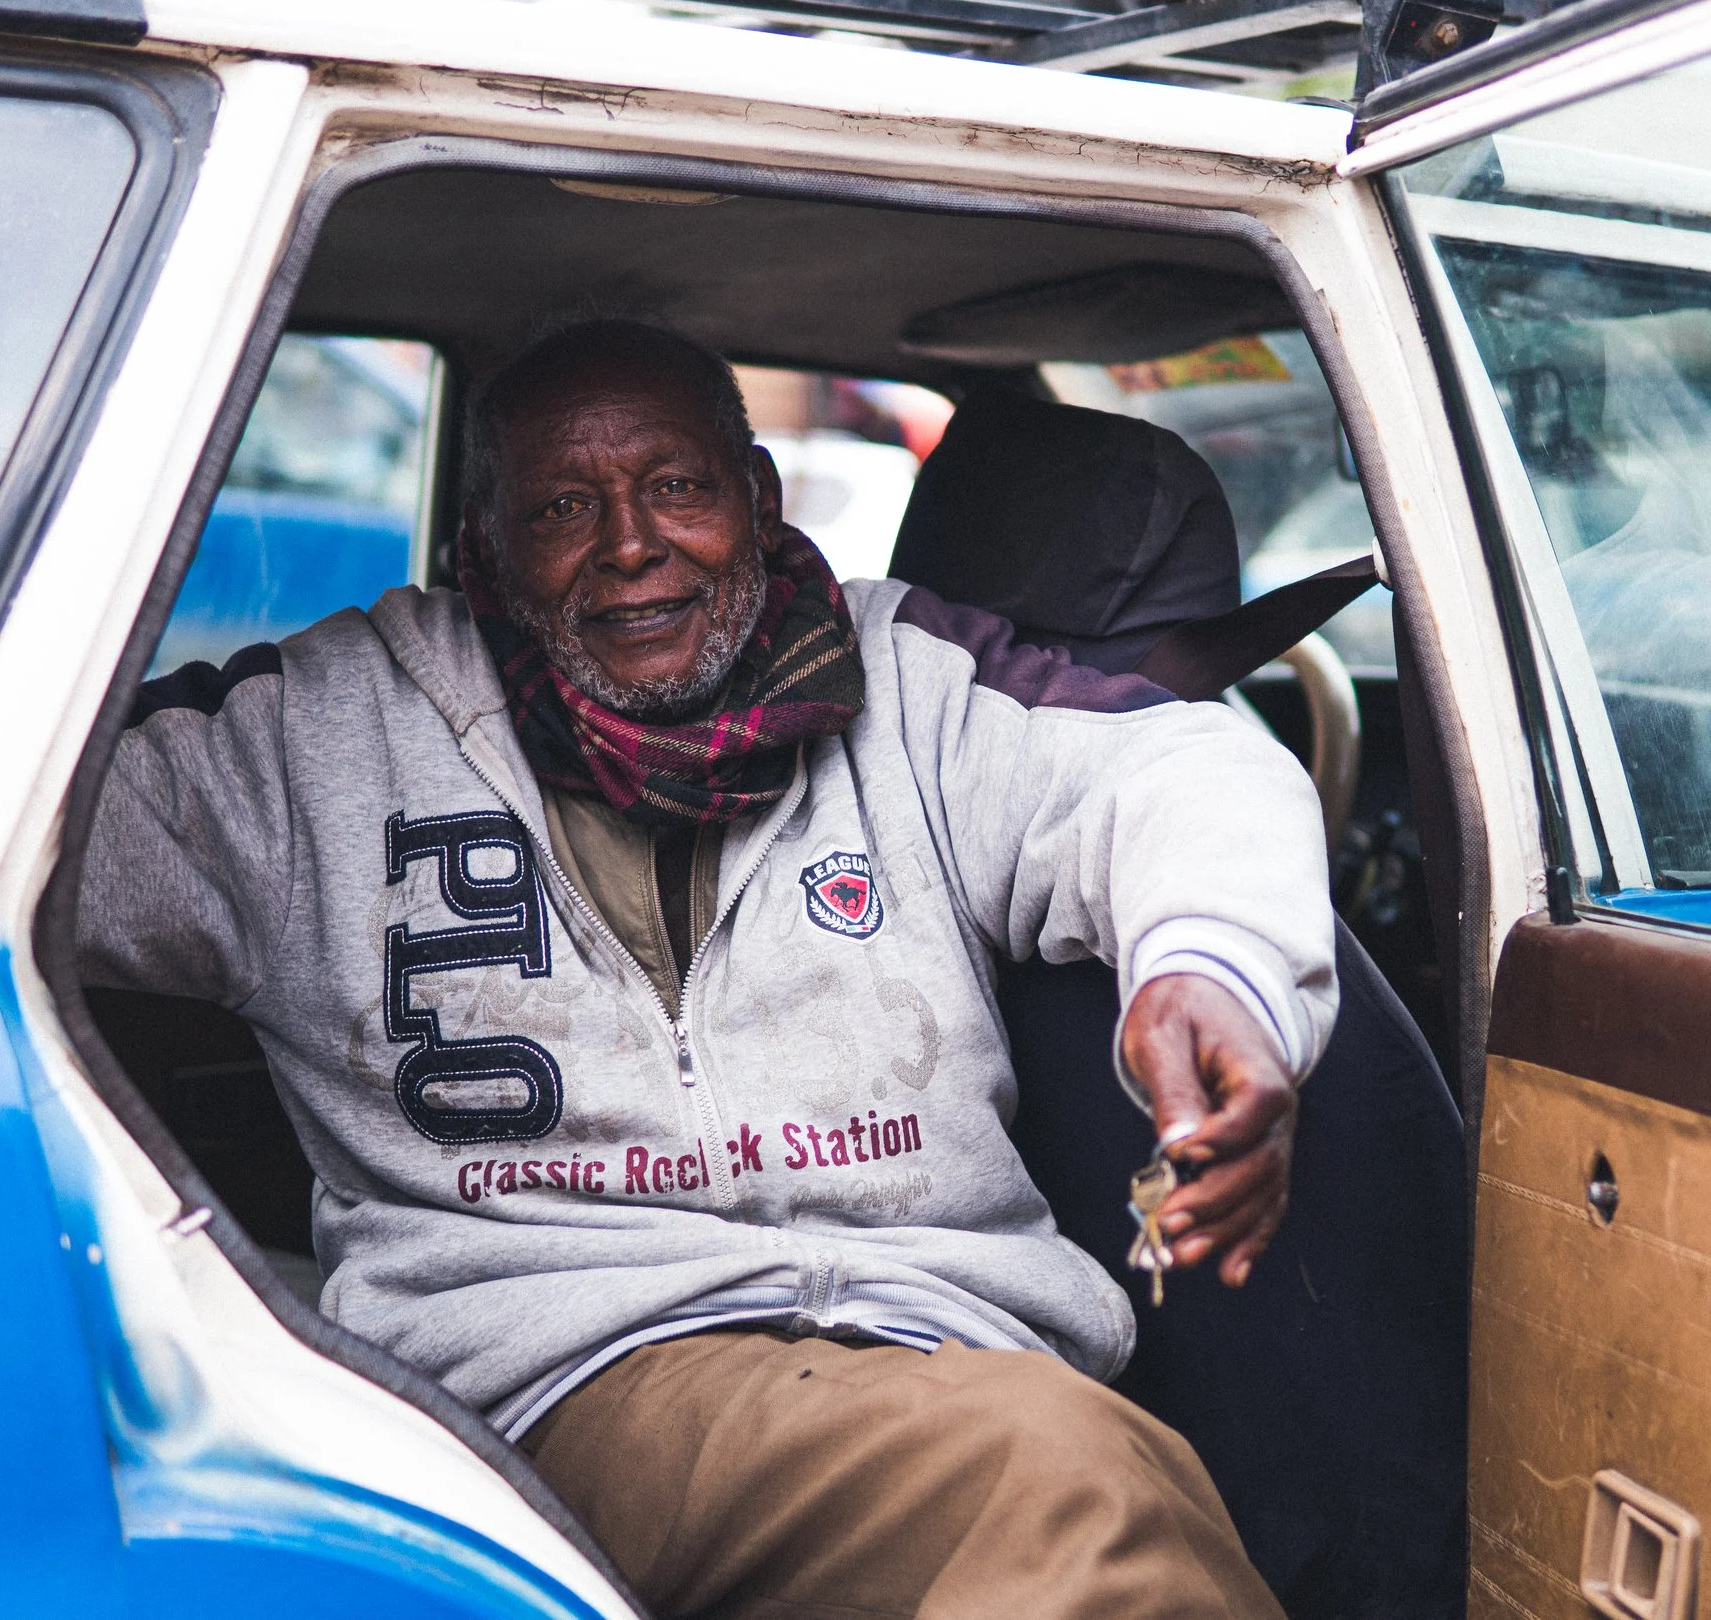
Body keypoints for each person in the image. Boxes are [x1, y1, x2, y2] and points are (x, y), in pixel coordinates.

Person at [79, 318, 1336, 1618]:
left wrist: (1209, 967)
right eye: (565, 505)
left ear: (759, 498)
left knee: (1092, 1472)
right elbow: (7, 801)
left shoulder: (911, 683)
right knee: (1082, 1491)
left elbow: (1175, 769)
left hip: (942, 1350)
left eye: (676, 486)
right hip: (557, 1385)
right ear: (487, 556)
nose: (631, 543)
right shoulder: (323, 734)